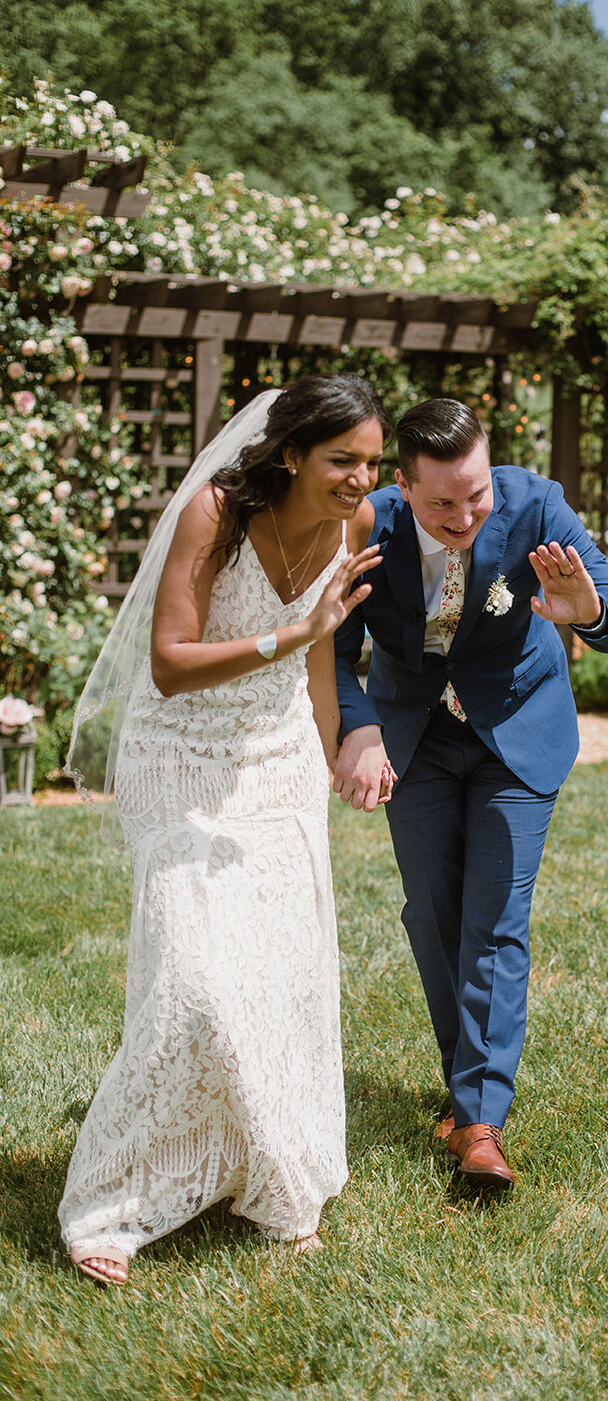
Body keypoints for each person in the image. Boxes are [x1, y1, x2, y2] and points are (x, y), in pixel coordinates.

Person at [59, 374, 391, 1286]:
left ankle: (277, 1180)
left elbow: (326, 659)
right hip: (179, 754)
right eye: (342, 461)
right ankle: (113, 1201)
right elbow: (169, 666)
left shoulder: (354, 526)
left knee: (282, 980)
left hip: (278, 756)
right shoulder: (215, 510)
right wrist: (294, 634)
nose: (362, 480)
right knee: (195, 981)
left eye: (372, 462)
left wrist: (340, 752)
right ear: (290, 454)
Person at [332, 398, 608, 1190]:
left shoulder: (536, 504)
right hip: (416, 739)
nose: (465, 514)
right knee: (432, 913)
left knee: (495, 920)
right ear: (403, 486)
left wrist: (590, 611)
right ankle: (463, 1081)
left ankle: (480, 1123)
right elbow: (330, 648)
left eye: (476, 495)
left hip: (517, 733)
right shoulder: (373, 525)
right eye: (441, 502)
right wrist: (357, 726)